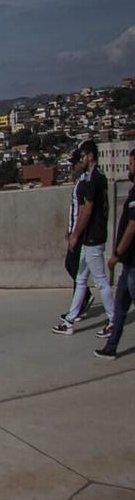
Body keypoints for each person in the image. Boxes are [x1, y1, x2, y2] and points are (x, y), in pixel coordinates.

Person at [55, 141, 110, 336]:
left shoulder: (92, 180)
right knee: (80, 278)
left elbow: (85, 211)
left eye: (82, 157)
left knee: (100, 281)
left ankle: (112, 319)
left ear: (90, 156)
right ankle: (70, 319)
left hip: (91, 236)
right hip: (90, 236)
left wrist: (75, 234)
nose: (79, 161)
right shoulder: (95, 178)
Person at [94, 149, 135, 360]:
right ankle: (111, 347)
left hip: (132, 264)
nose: (129, 167)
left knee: (121, 308)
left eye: (131, 163)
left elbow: (133, 226)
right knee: (119, 310)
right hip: (128, 265)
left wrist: (117, 253)